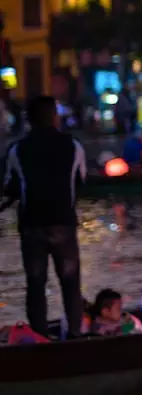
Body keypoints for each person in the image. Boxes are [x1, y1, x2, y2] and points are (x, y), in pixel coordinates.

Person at [0, 96, 87, 339]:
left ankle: (39, 337)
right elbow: (80, 180)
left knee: (36, 284)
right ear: (54, 117)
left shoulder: (17, 150)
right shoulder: (73, 146)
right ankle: (76, 335)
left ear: (28, 120)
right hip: (63, 224)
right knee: (70, 281)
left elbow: (9, 186)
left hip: (32, 226)